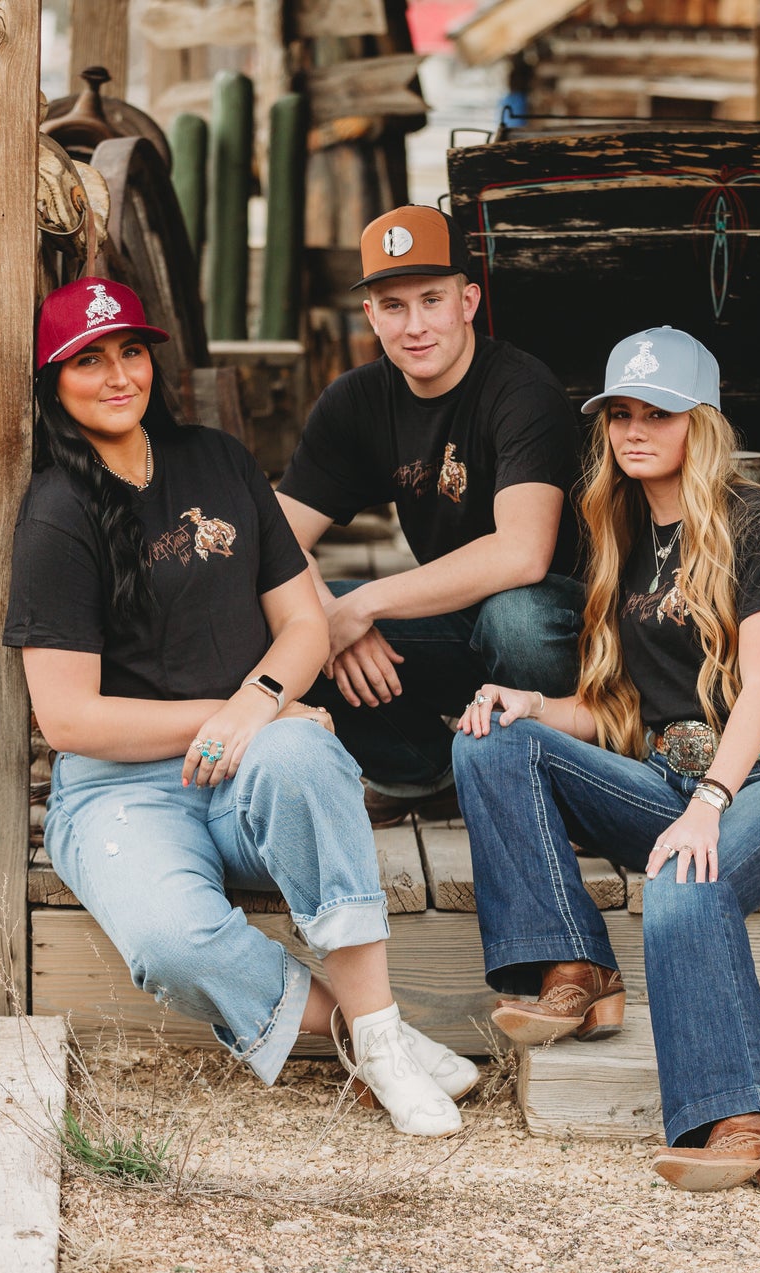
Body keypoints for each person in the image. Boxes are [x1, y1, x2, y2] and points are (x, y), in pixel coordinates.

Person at [5, 276, 476, 1137]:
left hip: (249, 769)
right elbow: (68, 719)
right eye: (89, 361)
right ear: (53, 381)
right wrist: (222, 716)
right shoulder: (57, 513)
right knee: (171, 945)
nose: (118, 376)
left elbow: (303, 623)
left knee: (302, 751)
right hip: (121, 792)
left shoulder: (217, 461)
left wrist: (256, 706)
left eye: (131, 352)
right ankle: (372, 1033)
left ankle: (379, 1038)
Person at [450, 326, 760, 1190]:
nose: (634, 430)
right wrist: (533, 705)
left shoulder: (756, 521)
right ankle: (578, 967)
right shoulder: (623, 532)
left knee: (682, 881)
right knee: (490, 741)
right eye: (620, 413)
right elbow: (621, 709)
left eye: (657, 413)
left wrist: (708, 804)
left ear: (700, 420)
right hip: (671, 777)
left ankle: (753, 1121)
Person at [274, 205, 584, 824]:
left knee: (515, 619)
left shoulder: (522, 391)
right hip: (453, 621)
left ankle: (566, 784)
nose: (414, 327)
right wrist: (326, 617)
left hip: (563, 631)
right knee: (289, 621)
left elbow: (523, 554)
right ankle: (423, 771)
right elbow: (272, 539)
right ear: (371, 316)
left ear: (467, 303)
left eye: (432, 301)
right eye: (394, 306)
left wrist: (362, 607)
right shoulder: (355, 402)